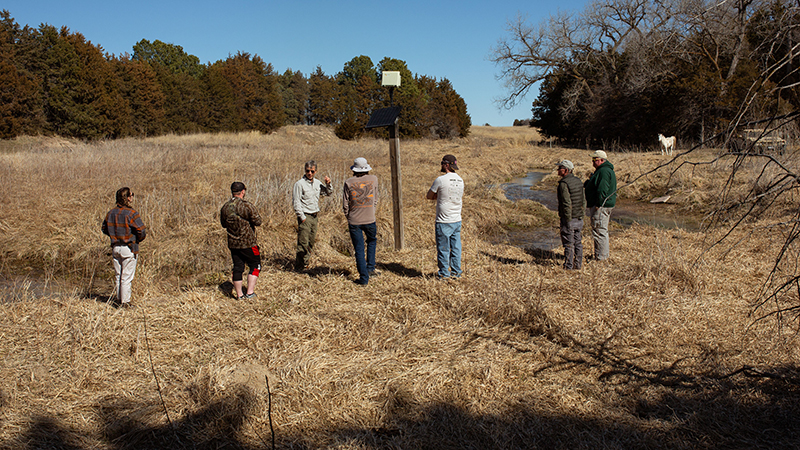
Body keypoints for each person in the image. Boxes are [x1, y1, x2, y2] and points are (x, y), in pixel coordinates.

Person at [102, 187, 147, 308]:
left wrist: (114, 235)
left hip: (115, 247)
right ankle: (125, 303)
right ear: (128, 198)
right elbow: (141, 231)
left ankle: (118, 300)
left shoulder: (110, 213)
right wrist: (136, 239)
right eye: (132, 195)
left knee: (118, 276)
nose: (132, 197)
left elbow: (104, 228)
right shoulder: (132, 213)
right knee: (126, 277)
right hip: (129, 247)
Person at [220, 182, 263, 299]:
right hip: (248, 243)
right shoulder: (246, 206)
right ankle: (250, 292)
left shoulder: (225, 207)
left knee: (238, 267)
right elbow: (258, 221)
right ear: (243, 191)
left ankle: (239, 295)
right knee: (255, 265)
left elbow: (223, 224)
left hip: (233, 243)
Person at [426, 154, 464, 279]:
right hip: (457, 219)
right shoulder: (460, 180)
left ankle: (444, 274)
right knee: (456, 248)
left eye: (442, 163)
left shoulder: (440, 180)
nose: (441, 165)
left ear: (446, 165)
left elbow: (429, 196)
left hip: (444, 220)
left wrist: (439, 196)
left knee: (443, 249)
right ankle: (456, 272)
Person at [343, 157, 379, 285]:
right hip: (370, 219)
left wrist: (349, 216)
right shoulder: (374, 179)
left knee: (359, 249)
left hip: (354, 221)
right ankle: (370, 268)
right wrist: (371, 211)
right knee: (372, 241)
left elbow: (345, 204)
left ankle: (364, 278)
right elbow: (375, 198)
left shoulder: (348, 182)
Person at [292, 160, 332, 271]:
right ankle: (299, 266)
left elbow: (328, 193)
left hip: (315, 216)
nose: (310, 173)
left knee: (311, 241)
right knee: (303, 242)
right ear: (305, 170)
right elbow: (296, 202)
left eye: (312, 171)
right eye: (307, 171)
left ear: (316, 171)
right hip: (305, 215)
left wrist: (328, 184)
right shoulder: (299, 184)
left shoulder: (318, 183)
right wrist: (302, 217)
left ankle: (306, 263)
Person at [584, 150, 617, 261]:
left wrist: (598, 204)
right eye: (592, 159)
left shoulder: (603, 171)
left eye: (595, 159)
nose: (592, 162)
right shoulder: (601, 170)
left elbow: (602, 189)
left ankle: (601, 258)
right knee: (601, 230)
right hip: (603, 205)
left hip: (601, 206)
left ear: (602, 160)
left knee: (599, 231)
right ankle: (602, 255)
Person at [556, 160, 585, 270]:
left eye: (560, 168)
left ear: (566, 170)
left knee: (568, 243)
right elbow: (583, 200)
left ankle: (568, 267)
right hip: (579, 217)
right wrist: (582, 215)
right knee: (578, 242)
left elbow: (566, 203)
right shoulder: (578, 181)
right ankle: (577, 265)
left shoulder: (563, 184)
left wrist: (567, 219)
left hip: (569, 218)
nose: (558, 170)